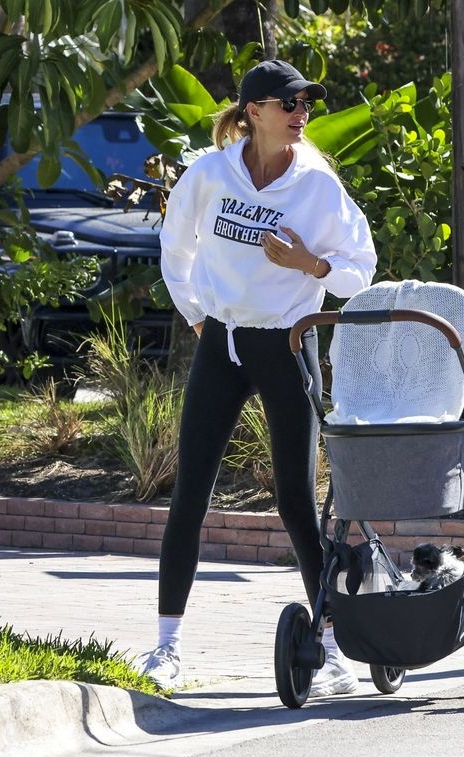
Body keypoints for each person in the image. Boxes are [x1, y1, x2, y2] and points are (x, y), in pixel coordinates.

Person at [143, 59, 376, 695]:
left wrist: (313, 265)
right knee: (190, 492)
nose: (301, 114)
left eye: (306, 104)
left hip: (289, 344)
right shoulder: (210, 173)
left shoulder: (319, 186)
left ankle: (332, 650)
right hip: (222, 343)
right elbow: (177, 248)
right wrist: (198, 315)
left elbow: (363, 264)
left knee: (297, 501)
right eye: (288, 103)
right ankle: (165, 648)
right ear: (253, 112)